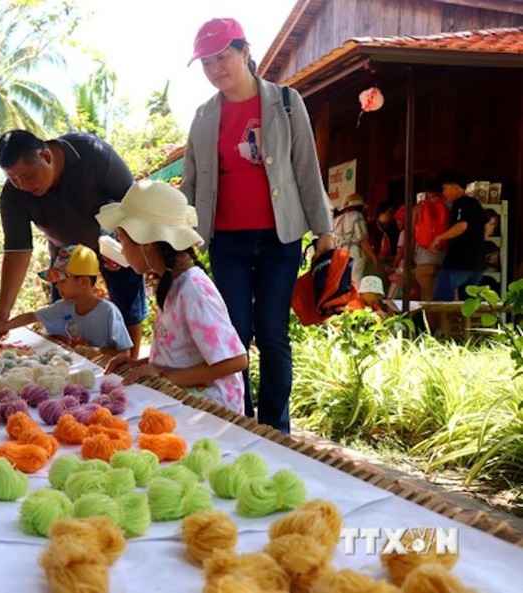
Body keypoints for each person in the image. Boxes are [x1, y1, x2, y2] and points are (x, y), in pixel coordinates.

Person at [180, 17, 334, 433]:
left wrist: (324, 230)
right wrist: (182, 238)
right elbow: (192, 183)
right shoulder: (204, 116)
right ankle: (240, 421)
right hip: (225, 240)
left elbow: (306, 169)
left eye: (222, 58)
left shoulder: (286, 101)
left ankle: (275, 429)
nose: (215, 70)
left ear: (245, 52)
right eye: (207, 63)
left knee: (271, 332)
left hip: (280, 238)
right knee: (234, 334)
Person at [0, 130, 146, 358]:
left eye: (27, 176)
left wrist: (124, 244)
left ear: (46, 156)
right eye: (13, 178)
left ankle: (130, 370)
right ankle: (69, 371)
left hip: (114, 245)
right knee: (60, 318)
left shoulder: (92, 154)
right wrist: (4, 309)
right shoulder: (13, 195)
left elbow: (134, 202)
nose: (22, 186)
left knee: (127, 308)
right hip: (66, 258)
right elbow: (17, 249)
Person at [99, 181, 248, 413]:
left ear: (146, 243)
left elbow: (235, 361)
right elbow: (180, 354)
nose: (121, 247)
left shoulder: (193, 288)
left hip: (211, 410)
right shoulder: (171, 281)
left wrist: (163, 375)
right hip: (187, 398)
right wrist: (142, 365)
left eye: (121, 238)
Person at [0, 244, 132, 356]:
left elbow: (125, 353)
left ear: (84, 282)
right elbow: (31, 316)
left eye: (62, 281)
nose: (57, 286)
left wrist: (95, 351)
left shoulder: (108, 313)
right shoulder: (64, 307)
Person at [431, 173, 486, 301]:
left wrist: (439, 238)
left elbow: (462, 225)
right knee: (468, 303)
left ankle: (445, 322)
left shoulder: (462, 203)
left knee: (442, 297)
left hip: (460, 262)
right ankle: (463, 322)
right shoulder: (476, 204)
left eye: (445, 189)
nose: (444, 193)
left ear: (456, 187)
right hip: (477, 264)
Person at [333, 194, 380, 286]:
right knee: (355, 283)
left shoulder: (337, 219)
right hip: (354, 253)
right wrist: (374, 257)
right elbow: (362, 240)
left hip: (339, 254)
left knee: (343, 284)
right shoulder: (357, 216)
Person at [413, 182, 448, 301]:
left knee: (428, 300)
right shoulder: (448, 206)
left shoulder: (418, 208)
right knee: (443, 300)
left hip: (423, 261)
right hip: (444, 261)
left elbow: (410, 236)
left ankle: (432, 320)